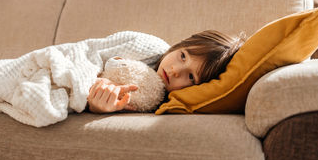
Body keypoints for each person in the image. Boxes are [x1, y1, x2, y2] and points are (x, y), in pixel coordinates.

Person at [87, 30, 245, 114]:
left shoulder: (162, 103)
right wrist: (96, 78)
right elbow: (92, 53)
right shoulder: (149, 50)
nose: (175, 70)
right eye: (182, 56)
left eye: (191, 76)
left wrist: (96, 105)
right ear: (179, 45)